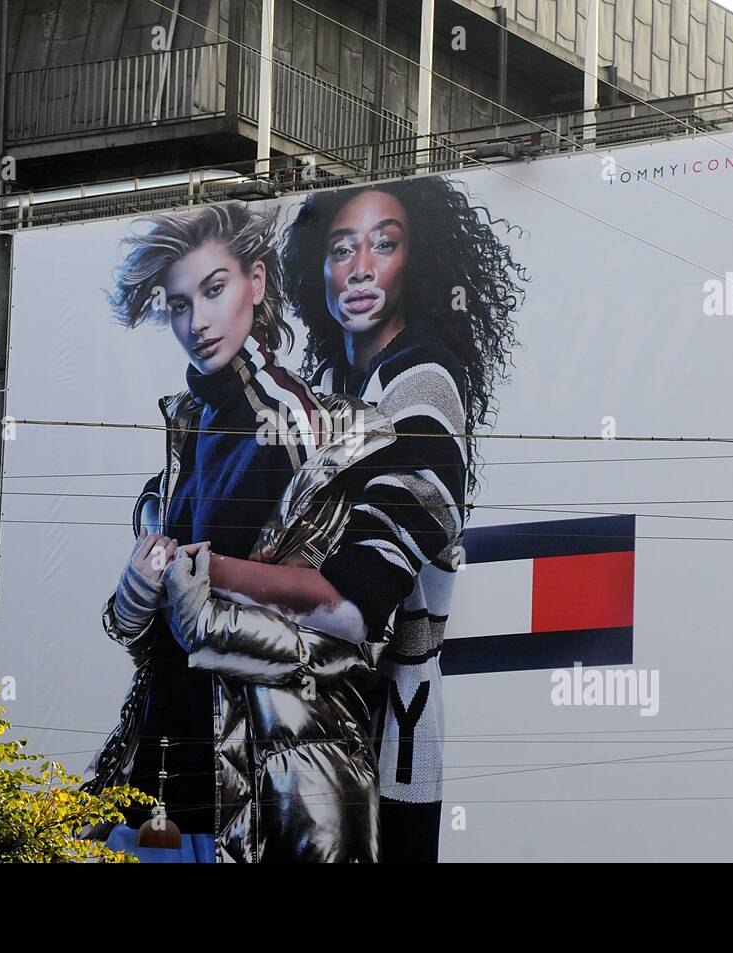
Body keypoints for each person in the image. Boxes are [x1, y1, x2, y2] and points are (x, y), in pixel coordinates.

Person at [201, 177, 527, 861]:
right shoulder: (347, 396)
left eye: (386, 243)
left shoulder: (422, 388)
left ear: (423, 259)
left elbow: (354, 602)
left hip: (384, 744)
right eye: (342, 248)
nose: (361, 266)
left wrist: (206, 573)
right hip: (327, 734)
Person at [84, 202, 399, 862]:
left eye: (214, 289)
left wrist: (207, 602)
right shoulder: (191, 422)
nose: (195, 321)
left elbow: (337, 636)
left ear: (256, 284)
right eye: (176, 304)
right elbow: (147, 628)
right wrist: (141, 588)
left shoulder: (295, 428)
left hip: (253, 800)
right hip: (154, 791)